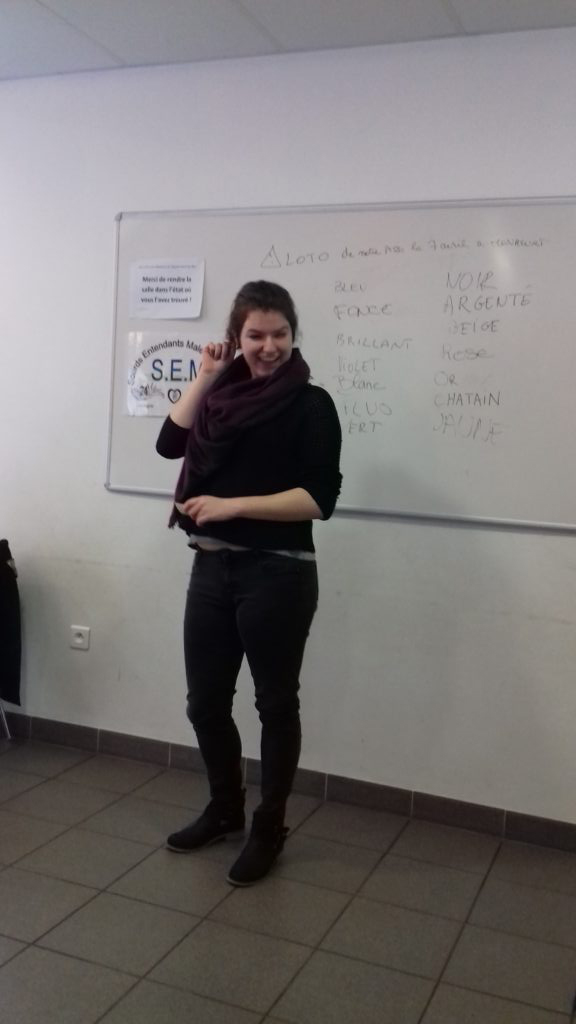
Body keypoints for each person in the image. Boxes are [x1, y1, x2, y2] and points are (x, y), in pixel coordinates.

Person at [156, 280, 342, 886]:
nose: (268, 346)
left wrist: (232, 506)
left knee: (274, 704)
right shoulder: (219, 396)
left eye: (279, 334)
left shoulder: (311, 404)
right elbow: (169, 444)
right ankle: (225, 809)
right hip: (211, 568)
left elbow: (319, 499)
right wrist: (206, 375)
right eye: (255, 335)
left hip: (278, 573)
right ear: (236, 338)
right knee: (205, 703)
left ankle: (269, 826)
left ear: (293, 334)